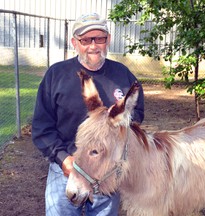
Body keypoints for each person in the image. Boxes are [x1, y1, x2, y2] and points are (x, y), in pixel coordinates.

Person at [32, 12, 144, 216]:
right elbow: (41, 128)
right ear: (74, 42)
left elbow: (136, 116)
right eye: (86, 40)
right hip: (66, 168)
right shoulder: (56, 75)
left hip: (105, 172)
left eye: (99, 38)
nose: (93, 45)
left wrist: (116, 125)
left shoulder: (123, 75)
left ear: (108, 40)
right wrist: (64, 159)